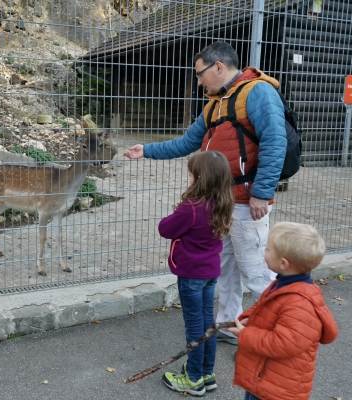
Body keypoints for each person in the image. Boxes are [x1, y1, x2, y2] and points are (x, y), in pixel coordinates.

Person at [124, 41, 287, 345]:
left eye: (200, 74)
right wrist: (146, 150)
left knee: (256, 272)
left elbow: (275, 142)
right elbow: (187, 142)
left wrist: (262, 193)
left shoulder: (258, 93)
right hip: (223, 204)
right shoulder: (216, 102)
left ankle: (277, 337)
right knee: (226, 270)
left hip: (247, 202)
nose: (198, 81)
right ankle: (229, 326)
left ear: (218, 67)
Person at [225, 222, 338, 400]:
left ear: (283, 263)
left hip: (278, 388)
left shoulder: (300, 304)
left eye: (268, 249)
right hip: (264, 376)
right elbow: (264, 306)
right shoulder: (284, 283)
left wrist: (245, 335)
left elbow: (281, 344)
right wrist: (248, 318)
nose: (264, 252)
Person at [159, 151, 234, 396]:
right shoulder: (223, 203)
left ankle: (192, 379)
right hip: (211, 273)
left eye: (191, 173)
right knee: (207, 325)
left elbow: (165, 229)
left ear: (199, 177)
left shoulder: (191, 208)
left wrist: (177, 211)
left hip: (191, 276)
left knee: (194, 328)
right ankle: (206, 373)